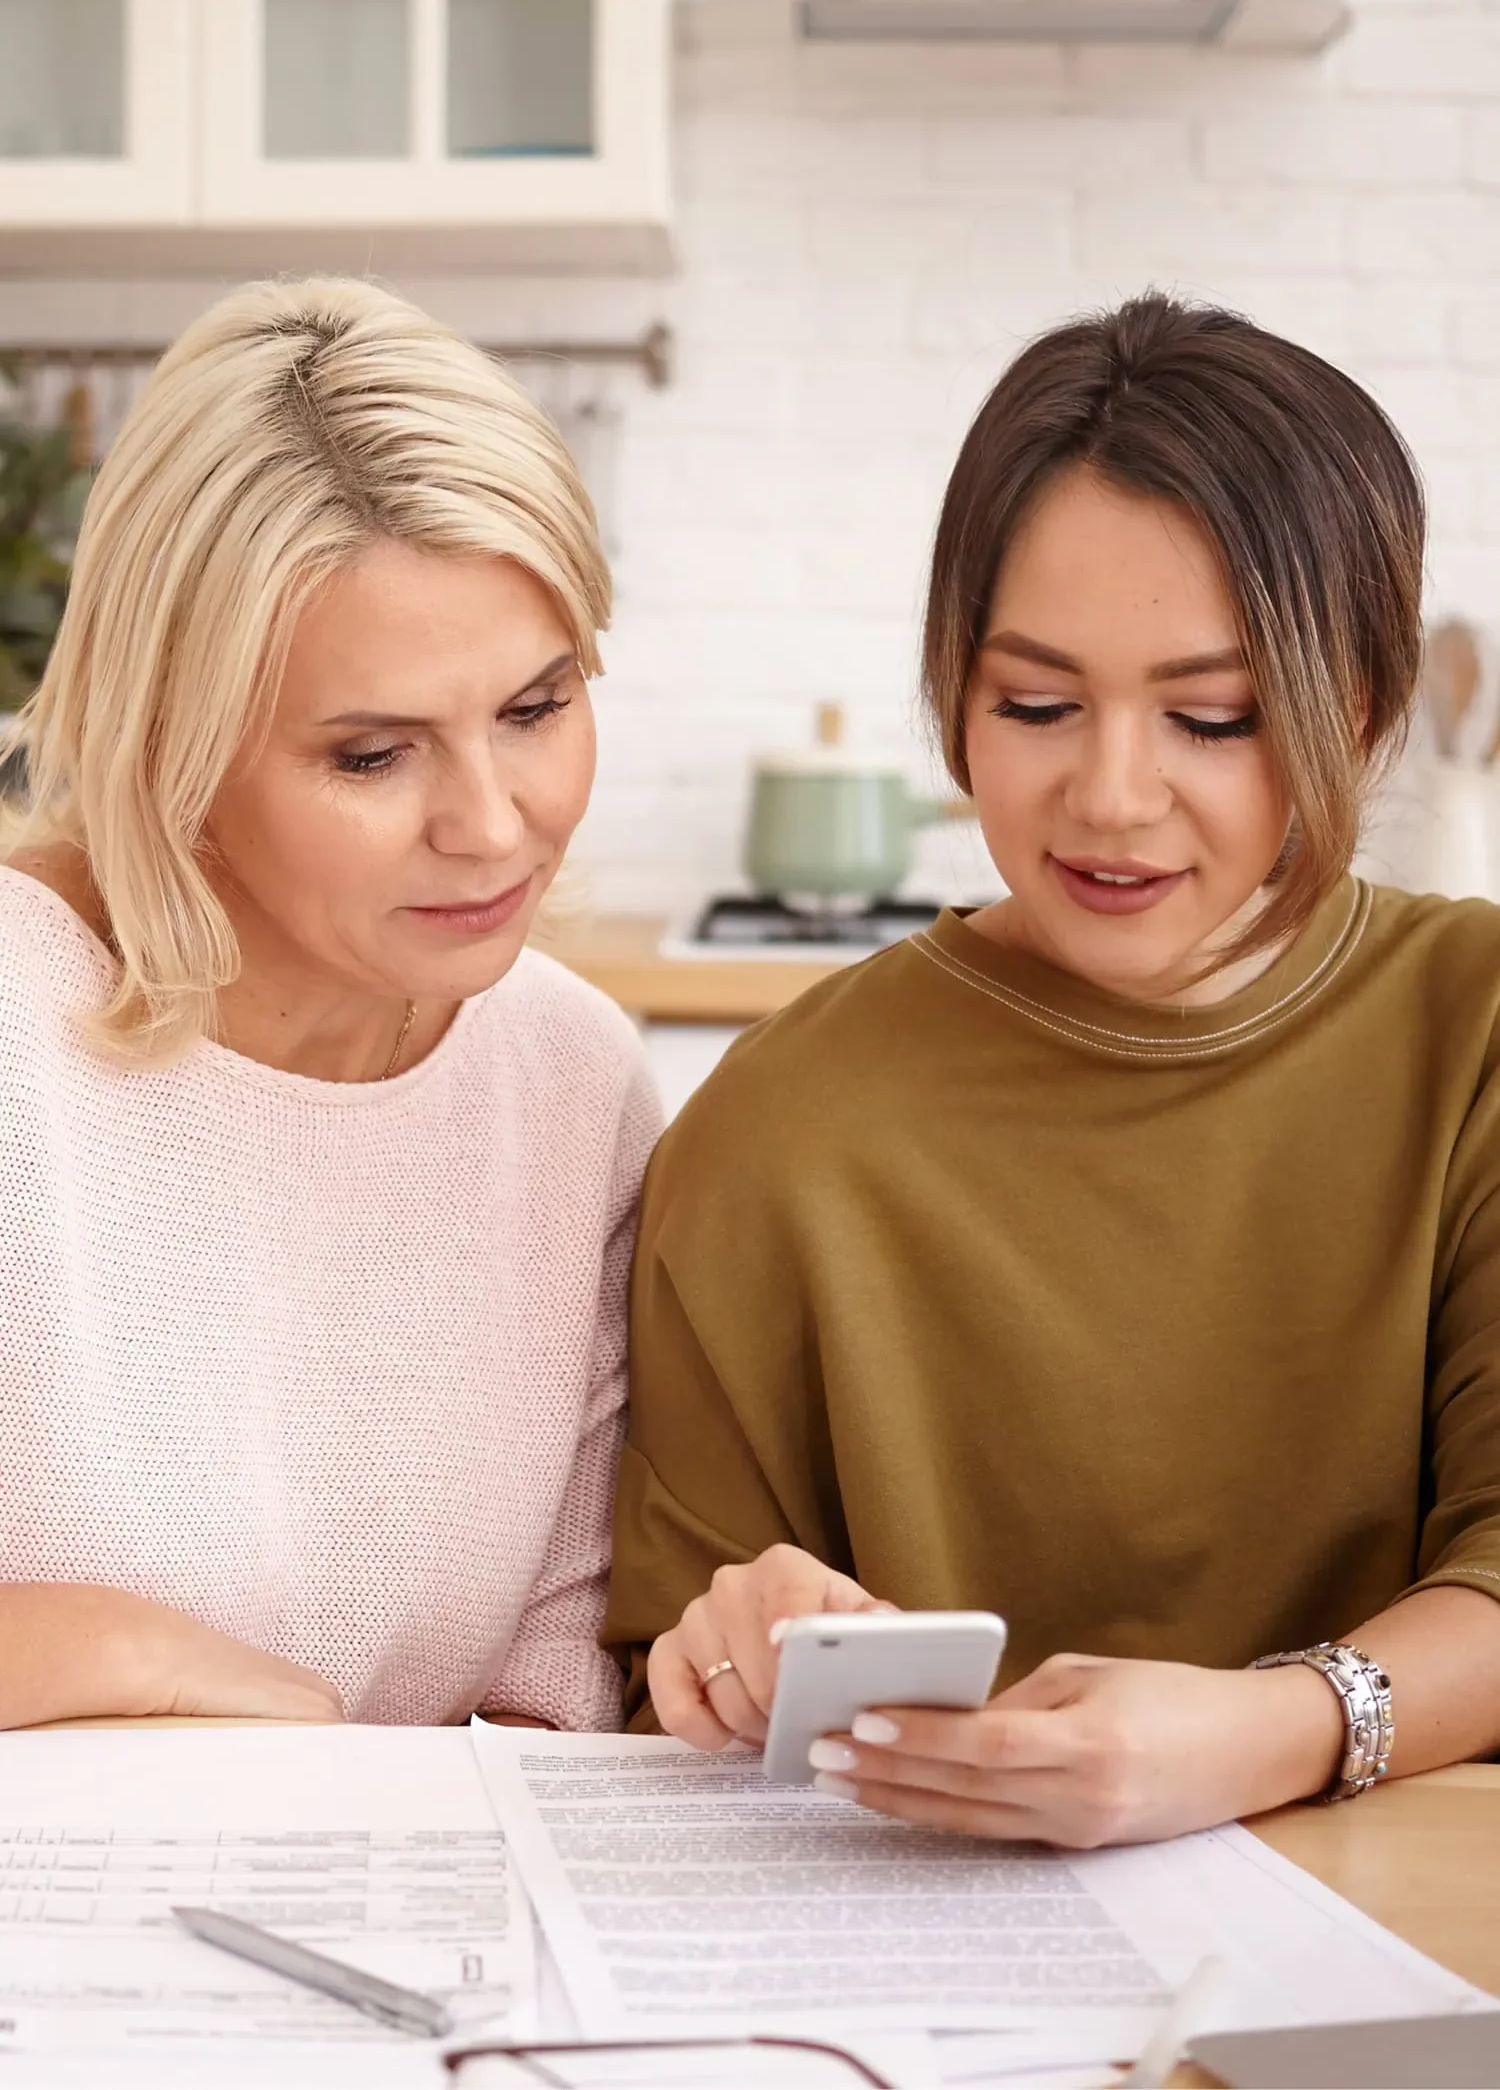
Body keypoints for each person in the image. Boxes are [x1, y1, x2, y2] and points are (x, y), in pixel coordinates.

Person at [604, 292, 1500, 1846]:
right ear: (956, 691)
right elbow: (658, 1701)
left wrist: (1277, 1726)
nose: (1110, 794)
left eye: (1211, 717)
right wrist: (731, 1647)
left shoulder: (1472, 1026)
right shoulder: (775, 1132)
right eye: (1036, 704)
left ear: (1356, 711)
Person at [0, 276, 659, 1731]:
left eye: (538, 711)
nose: (493, 825)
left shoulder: (570, 1078)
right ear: (174, 740)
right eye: (373, 756)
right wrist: (129, 1657)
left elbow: (554, 1692)